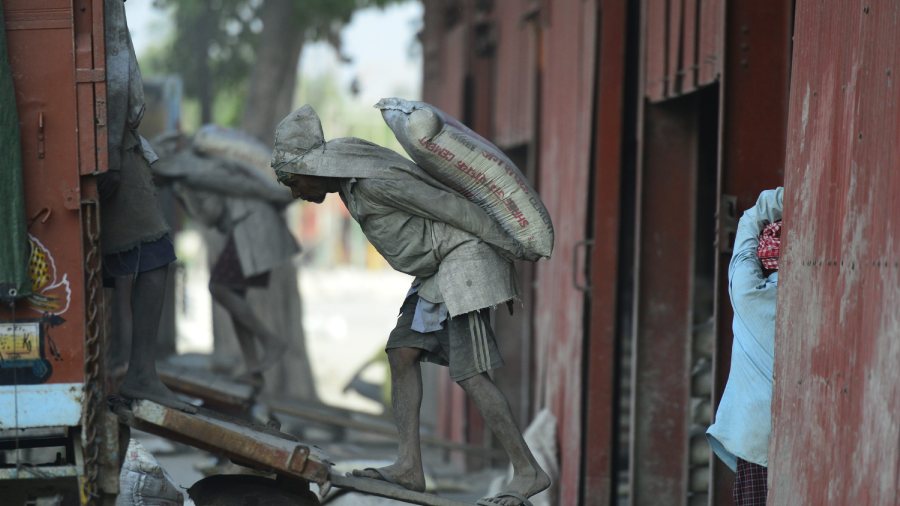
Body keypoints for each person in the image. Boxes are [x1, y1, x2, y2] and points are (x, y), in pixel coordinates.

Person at [271, 105, 550, 506]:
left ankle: (527, 470)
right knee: (402, 352)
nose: (295, 193)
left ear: (313, 168)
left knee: (470, 373)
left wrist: (509, 244)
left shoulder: (374, 183)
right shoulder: (349, 178)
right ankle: (409, 466)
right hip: (436, 272)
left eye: (293, 181)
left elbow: (451, 207)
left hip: (463, 262)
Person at [98, 0, 191, 411]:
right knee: (154, 253)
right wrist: (113, 152)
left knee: (111, 267)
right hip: (113, 141)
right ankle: (139, 373)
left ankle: (119, 365)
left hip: (105, 138)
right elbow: (117, 74)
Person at [152, 135, 299, 384]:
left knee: (219, 288)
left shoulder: (195, 172)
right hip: (248, 227)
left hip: (253, 225)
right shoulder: (184, 181)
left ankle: (270, 341)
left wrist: (277, 195)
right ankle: (253, 368)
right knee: (233, 293)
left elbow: (239, 185)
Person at [707, 187, 784, 505]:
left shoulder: (747, 292)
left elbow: (749, 221)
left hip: (755, 440)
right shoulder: (817, 299)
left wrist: (785, 199)